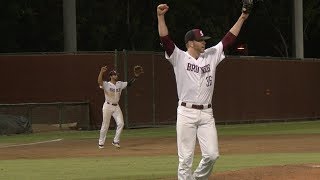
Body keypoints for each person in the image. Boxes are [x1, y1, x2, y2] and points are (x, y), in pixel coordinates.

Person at [157, 3, 249, 180]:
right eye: (200, 40)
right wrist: (160, 17)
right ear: (190, 43)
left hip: (207, 113)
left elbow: (229, 39)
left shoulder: (211, 55)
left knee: (212, 155)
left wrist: (242, 17)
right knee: (185, 160)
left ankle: (197, 178)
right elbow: (166, 40)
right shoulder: (179, 57)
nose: (204, 42)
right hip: (186, 112)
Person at [97, 65, 143, 149]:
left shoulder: (119, 84)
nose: (116, 75)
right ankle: (101, 143)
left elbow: (129, 84)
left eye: (116, 74)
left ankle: (115, 141)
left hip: (116, 106)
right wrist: (101, 72)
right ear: (111, 76)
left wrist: (135, 77)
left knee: (121, 123)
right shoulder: (107, 84)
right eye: (114, 74)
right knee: (105, 125)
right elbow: (99, 82)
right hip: (107, 106)